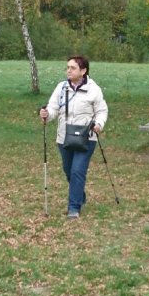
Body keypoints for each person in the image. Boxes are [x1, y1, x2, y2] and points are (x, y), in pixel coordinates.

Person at [39, 56, 108, 220]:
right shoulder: (61, 88)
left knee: (78, 171)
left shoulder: (94, 89)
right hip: (64, 137)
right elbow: (53, 109)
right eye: (67, 67)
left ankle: (74, 207)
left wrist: (99, 124)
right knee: (69, 171)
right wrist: (46, 114)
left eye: (73, 68)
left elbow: (102, 111)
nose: (68, 70)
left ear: (83, 71)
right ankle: (80, 195)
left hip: (86, 137)